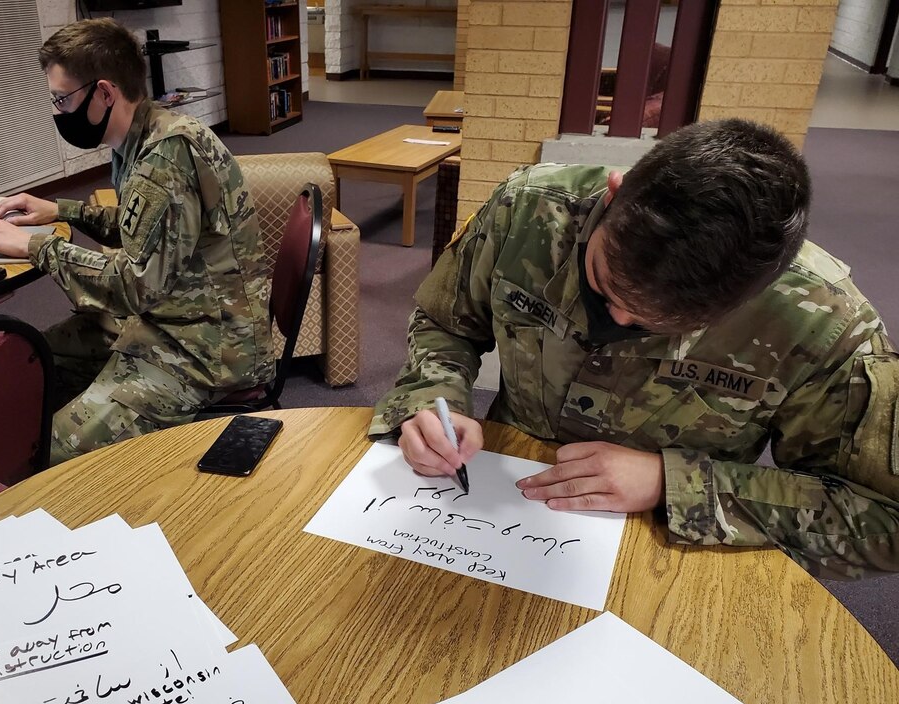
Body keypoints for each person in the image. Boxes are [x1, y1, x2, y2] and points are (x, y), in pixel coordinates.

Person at [370, 118, 899, 581]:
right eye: (603, 282)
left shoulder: (827, 321)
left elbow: (884, 521)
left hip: (668, 548)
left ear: (760, 293)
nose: (619, 319)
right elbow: (445, 320)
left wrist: (675, 484)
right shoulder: (527, 210)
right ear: (613, 194)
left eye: (659, 324)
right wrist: (433, 396)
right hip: (500, 497)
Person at [0, 18, 273, 463]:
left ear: (104, 92)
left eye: (62, 99)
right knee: (32, 362)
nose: (57, 112)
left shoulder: (165, 158)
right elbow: (143, 232)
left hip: (207, 350)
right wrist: (61, 211)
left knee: (51, 450)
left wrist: (36, 247)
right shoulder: (141, 136)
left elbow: (135, 285)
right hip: (176, 317)